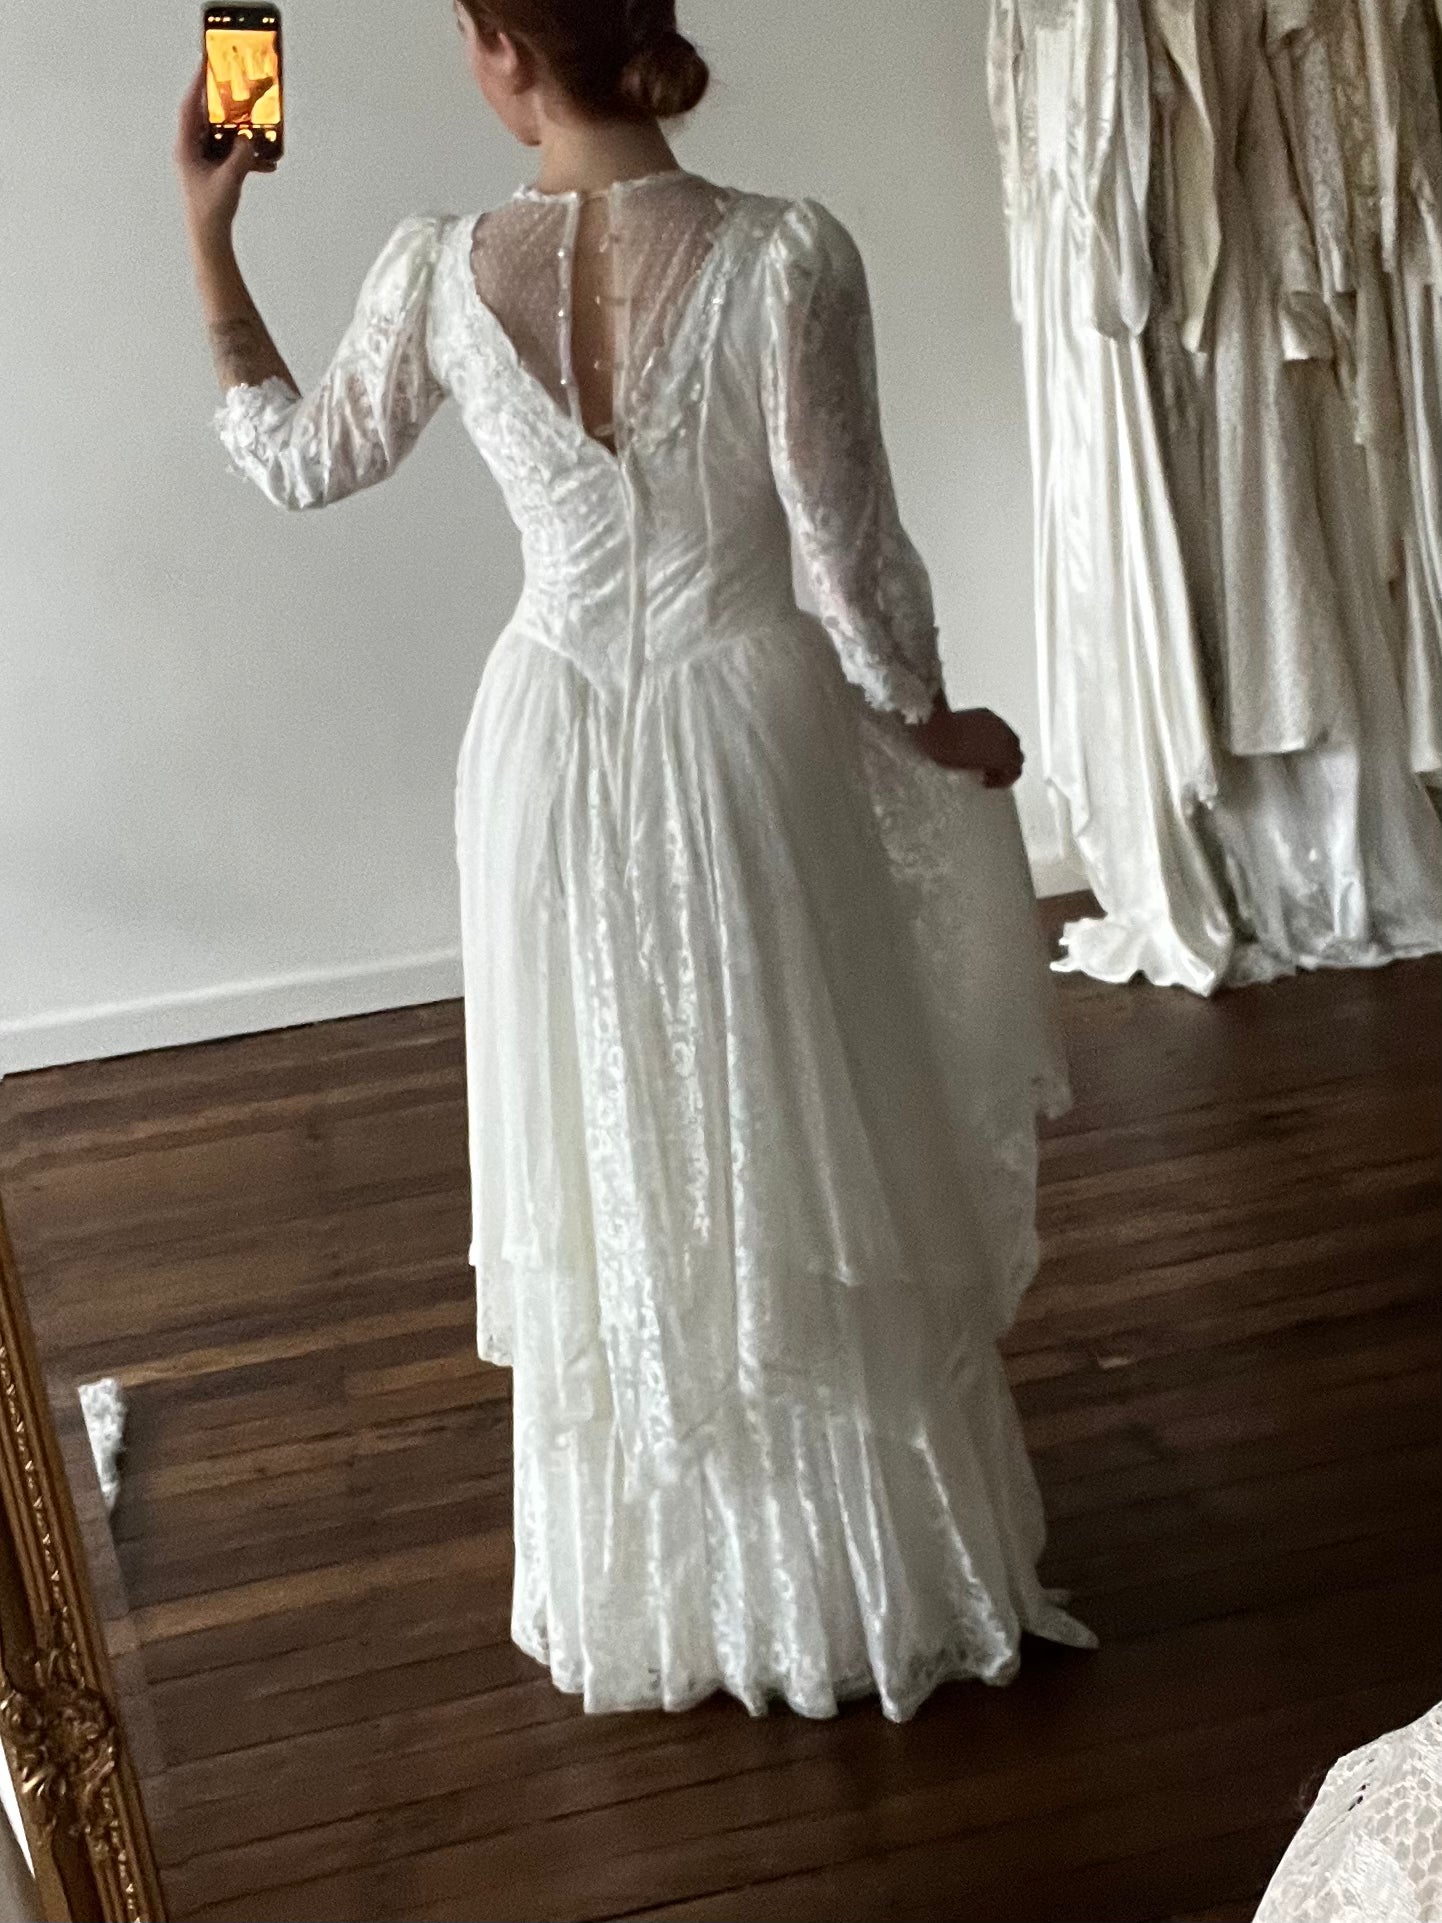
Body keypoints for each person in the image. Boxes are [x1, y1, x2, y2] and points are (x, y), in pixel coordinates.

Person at [175, 0, 1095, 1723]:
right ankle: (854, 1579)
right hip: (743, 725)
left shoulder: (437, 269)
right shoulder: (785, 255)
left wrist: (209, 237)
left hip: (547, 739)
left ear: (507, 54)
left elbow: (302, 464)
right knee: (788, 1107)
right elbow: (846, 558)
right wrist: (936, 724)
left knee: (604, 1122)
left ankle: (666, 1585)